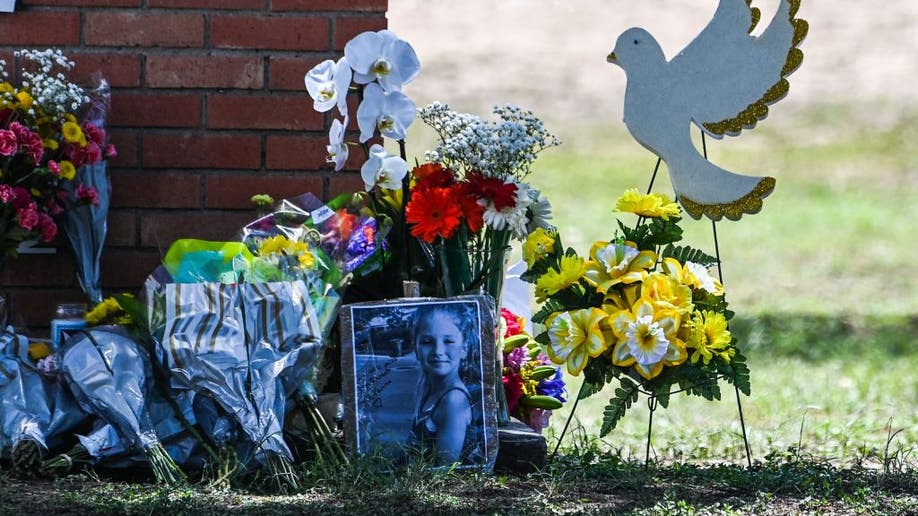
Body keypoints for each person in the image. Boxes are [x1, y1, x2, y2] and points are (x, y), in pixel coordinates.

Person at [408, 304, 474, 465]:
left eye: (449, 341)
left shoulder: (453, 400)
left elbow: (445, 467)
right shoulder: (428, 387)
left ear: (464, 348)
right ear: (415, 347)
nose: (438, 350)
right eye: (427, 342)